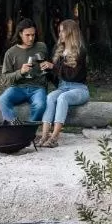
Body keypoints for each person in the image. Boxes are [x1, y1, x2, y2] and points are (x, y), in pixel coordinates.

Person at [37, 19, 89, 147]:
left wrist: (53, 67)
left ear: (70, 33)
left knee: (62, 98)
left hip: (79, 89)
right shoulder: (60, 50)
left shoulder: (80, 51)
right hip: (63, 87)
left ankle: (54, 138)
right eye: (59, 31)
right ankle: (44, 136)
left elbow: (72, 75)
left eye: (62, 31)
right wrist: (46, 70)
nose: (59, 34)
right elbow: (58, 77)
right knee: (50, 97)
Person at [0, 18, 49, 124]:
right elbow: (4, 78)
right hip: (18, 88)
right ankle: (13, 124)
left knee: (40, 105)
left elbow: (49, 67)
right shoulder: (10, 53)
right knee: (3, 100)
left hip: (38, 88)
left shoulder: (42, 47)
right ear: (20, 33)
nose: (31, 38)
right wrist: (20, 72)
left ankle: (29, 128)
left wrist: (49, 66)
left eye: (33, 35)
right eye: (27, 35)